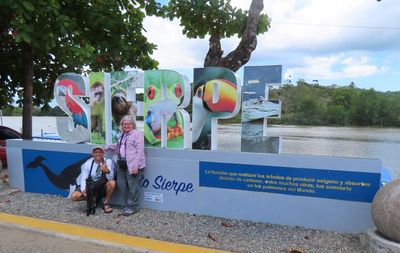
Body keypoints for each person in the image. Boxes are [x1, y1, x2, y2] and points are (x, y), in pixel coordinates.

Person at [105, 114, 145, 216]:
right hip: (121, 163)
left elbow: (140, 151)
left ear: (133, 124)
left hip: (132, 164)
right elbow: (120, 147)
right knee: (122, 185)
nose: (126, 126)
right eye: (124, 124)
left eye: (128, 124)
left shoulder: (137, 134)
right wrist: (109, 146)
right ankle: (127, 204)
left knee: (133, 187)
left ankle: (133, 206)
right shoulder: (122, 134)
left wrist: (136, 165)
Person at [70, 146, 116, 213]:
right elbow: (83, 179)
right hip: (90, 185)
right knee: (74, 196)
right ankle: (92, 200)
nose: (98, 154)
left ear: (103, 153)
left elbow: (110, 178)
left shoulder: (108, 162)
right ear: (92, 154)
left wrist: (107, 171)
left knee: (112, 183)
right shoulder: (88, 163)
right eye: (95, 152)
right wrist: (84, 191)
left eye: (100, 152)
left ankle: (105, 203)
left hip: (101, 187)